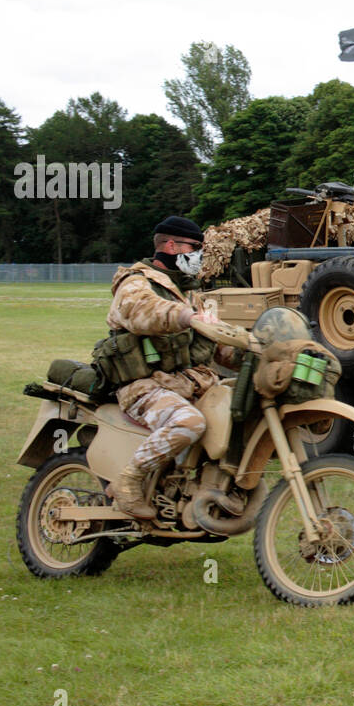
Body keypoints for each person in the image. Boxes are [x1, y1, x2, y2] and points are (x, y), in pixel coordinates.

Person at [105, 216, 238, 519]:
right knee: (189, 422)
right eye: (194, 248)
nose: (200, 256)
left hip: (185, 383)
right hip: (144, 386)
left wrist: (255, 348)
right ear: (170, 245)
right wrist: (184, 316)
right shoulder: (135, 282)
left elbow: (218, 346)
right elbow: (141, 312)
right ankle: (128, 480)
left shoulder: (190, 293)